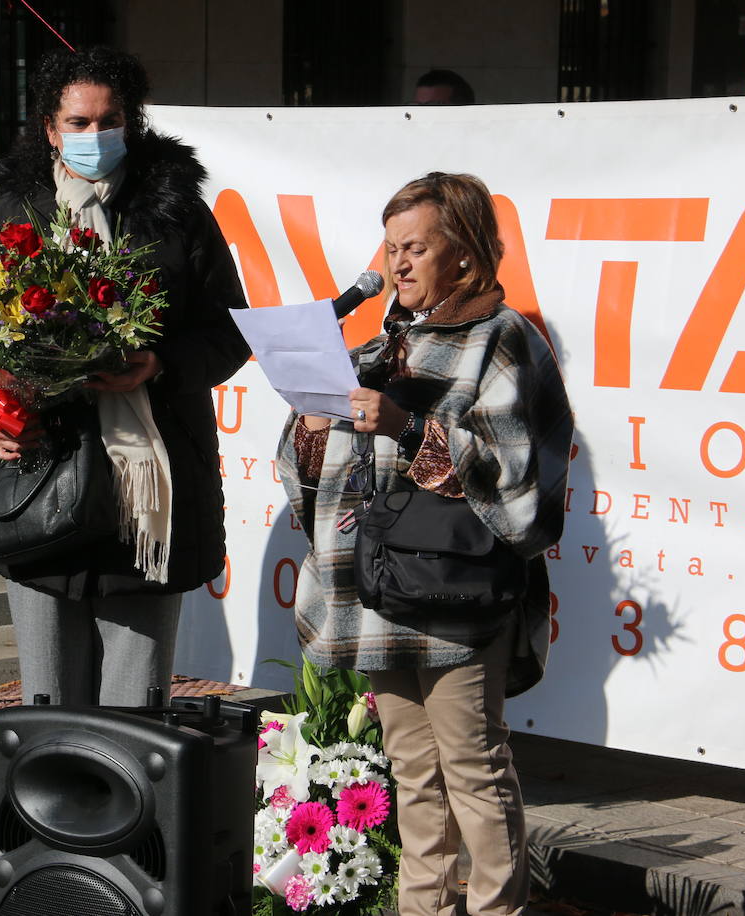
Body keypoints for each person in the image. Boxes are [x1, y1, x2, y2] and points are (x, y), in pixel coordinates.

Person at [277, 172, 572, 915]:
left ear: (466, 257)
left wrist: (408, 428)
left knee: (474, 768)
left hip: (455, 594)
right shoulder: (377, 345)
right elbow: (317, 480)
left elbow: (521, 482)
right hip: (376, 595)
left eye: (417, 248)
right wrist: (310, 432)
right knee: (412, 771)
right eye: (391, 247)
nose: (398, 264)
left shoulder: (501, 341)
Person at [0, 46, 250, 707]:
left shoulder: (176, 212)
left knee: (133, 708)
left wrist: (159, 363)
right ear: (50, 129)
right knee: (49, 704)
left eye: (109, 121)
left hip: (145, 492)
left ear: (131, 123)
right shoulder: (12, 213)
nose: (94, 136)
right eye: (77, 123)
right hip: (37, 480)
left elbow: (229, 331)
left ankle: (133, 810)